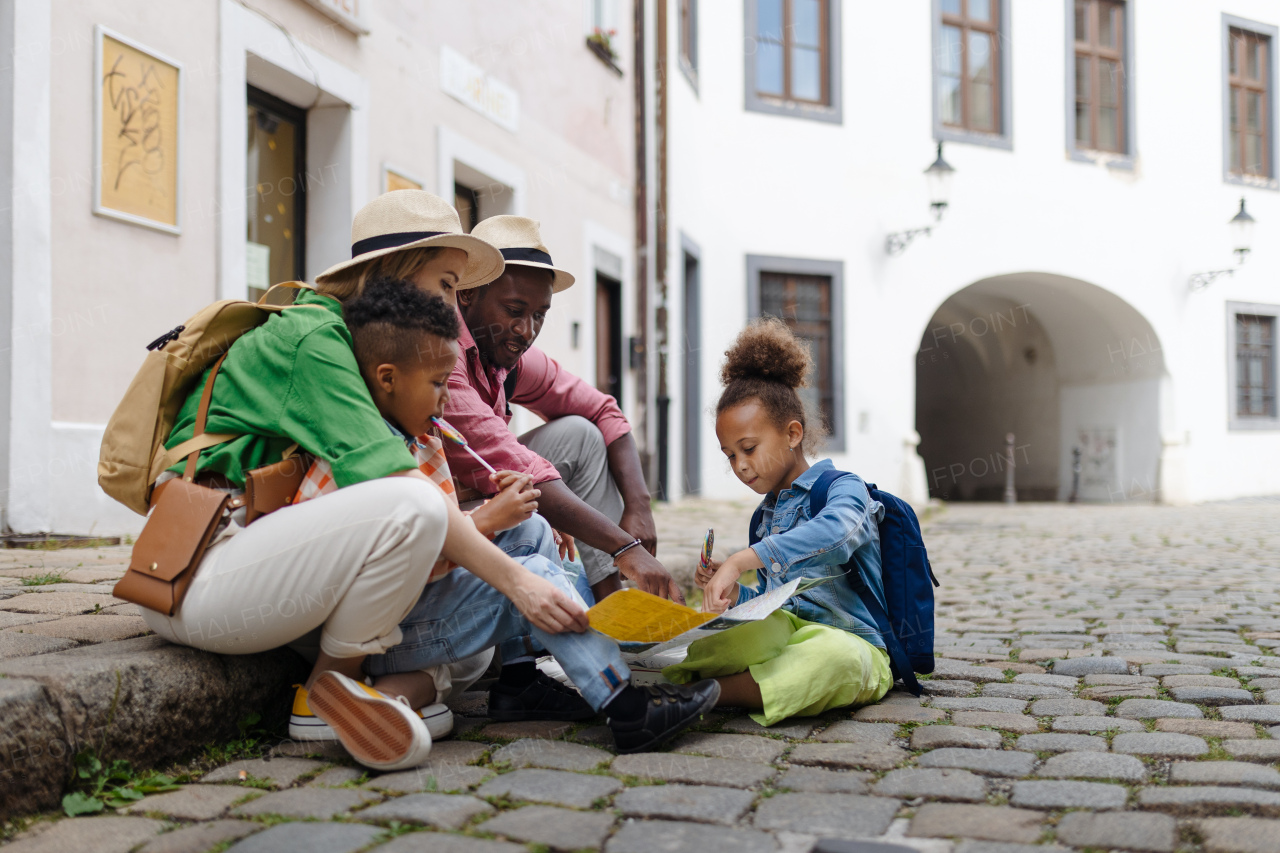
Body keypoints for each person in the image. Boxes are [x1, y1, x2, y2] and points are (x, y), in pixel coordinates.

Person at [142, 197, 594, 771]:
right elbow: (402, 492)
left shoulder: (360, 340)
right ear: (397, 271)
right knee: (411, 502)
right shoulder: (314, 338)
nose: (457, 309)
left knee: (469, 647)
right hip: (199, 580)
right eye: (449, 285)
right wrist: (521, 585)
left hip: (271, 572)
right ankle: (327, 692)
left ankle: (391, 696)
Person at [311, 193, 599, 724]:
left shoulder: (423, 395)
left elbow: (595, 410)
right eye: (448, 284)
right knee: (528, 580)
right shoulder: (341, 361)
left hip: (400, 595)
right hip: (351, 608)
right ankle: (615, 688)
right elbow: (403, 526)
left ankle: (409, 699)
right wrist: (492, 522)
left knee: (508, 593)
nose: (456, 303)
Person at [662, 319, 894, 726]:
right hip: (787, 634)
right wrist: (735, 596)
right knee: (735, 635)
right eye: (730, 455)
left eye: (748, 448)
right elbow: (772, 606)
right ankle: (665, 681)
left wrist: (742, 559)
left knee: (833, 658)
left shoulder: (844, 490)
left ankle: (698, 694)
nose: (740, 466)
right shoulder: (765, 517)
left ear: (792, 434)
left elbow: (836, 536)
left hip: (854, 644)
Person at [446, 215, 681, 603]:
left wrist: (639, 507)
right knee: (531, 514)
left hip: (485, 492)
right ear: (468, 293)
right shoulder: (443, 353)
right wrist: (626, 547)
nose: (526, 330)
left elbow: (604, 410)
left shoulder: (510, 357)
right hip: (446, 513)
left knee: (581, 434)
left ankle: (615, 611)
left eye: (539, 315)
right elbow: (515, 466)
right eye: (514, 309)